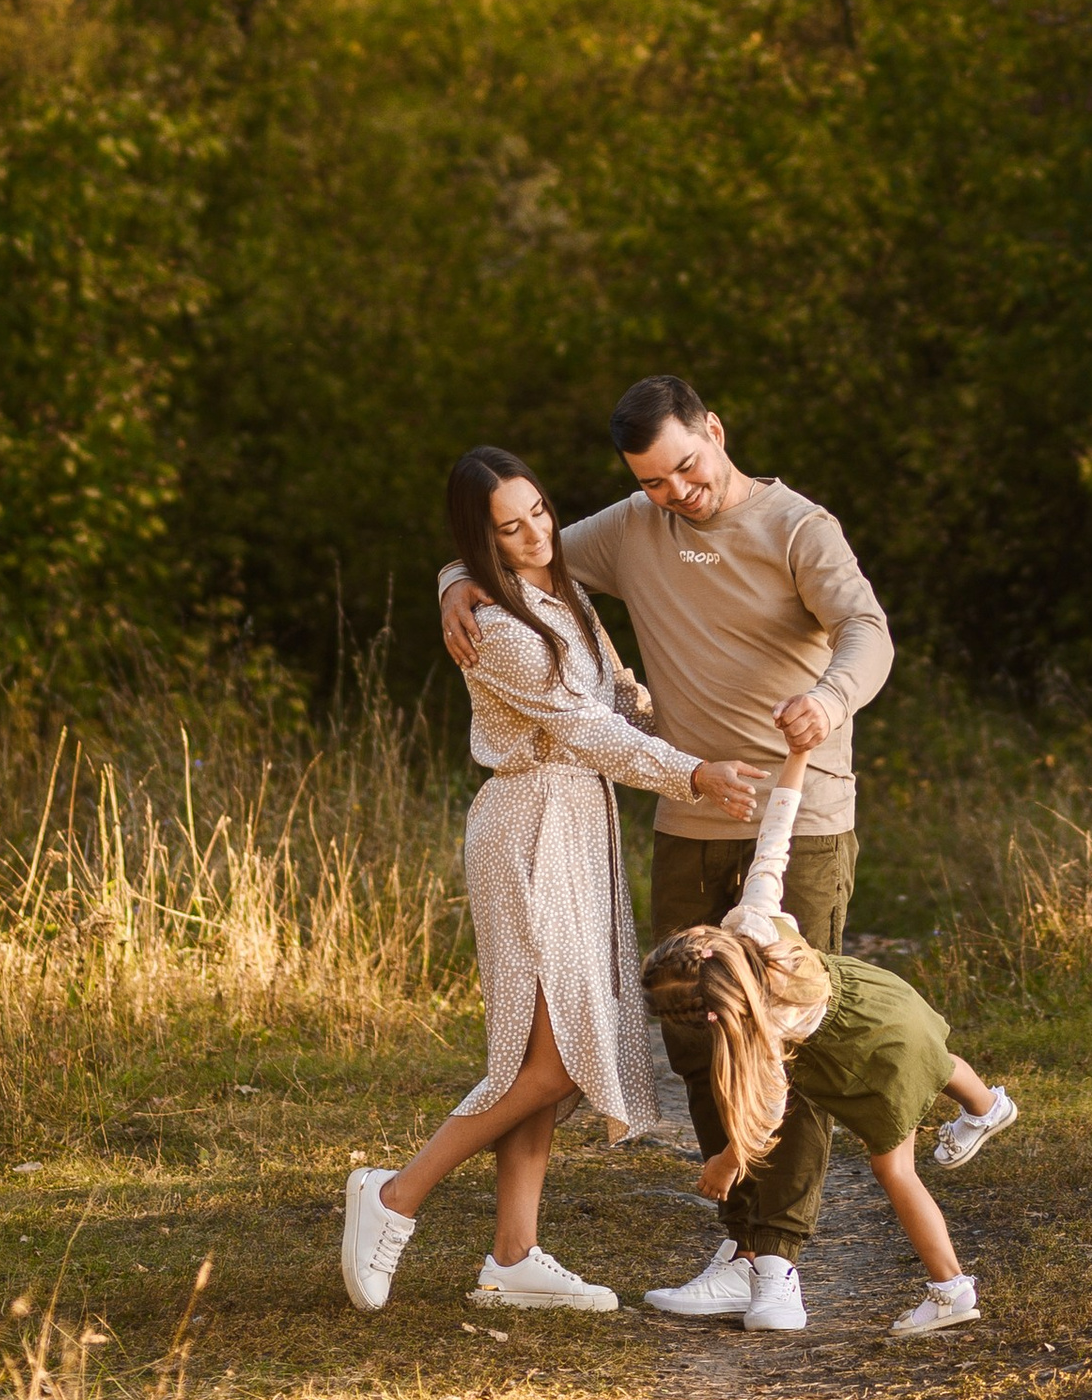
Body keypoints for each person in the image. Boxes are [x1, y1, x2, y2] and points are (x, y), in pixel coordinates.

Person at [437, 372, 893, 1328]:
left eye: (686, 469)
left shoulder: (800, 528)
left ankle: (779, 1261)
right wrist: (455, 582)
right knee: (693, 1031)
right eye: (651, 482)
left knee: (783, 1027)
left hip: (797, 815)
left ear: (715, 431)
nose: (676, 494)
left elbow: (867, 629)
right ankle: (735, 1243)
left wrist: (833, 696)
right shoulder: (637, 528)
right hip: (688, 821)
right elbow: (529, 549)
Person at [343, 446, 755, 1318]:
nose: (534, 534)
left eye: (538, 512)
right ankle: (394, 1195)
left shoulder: (561, 593)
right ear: (479, 538)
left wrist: (673, 704)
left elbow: (615, 704)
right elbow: (586, 731)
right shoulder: (492, 625)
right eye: (508, 528)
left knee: (545, 1056)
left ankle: (513, 1256)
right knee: (553, 1056)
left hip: (578, 825)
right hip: (528, 826)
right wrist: (691, 773)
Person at [641, 774, 1017, 1342]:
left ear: (713, 1017)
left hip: (876, 1059)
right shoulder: (753, 922)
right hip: (887, 1004)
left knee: (896, 1171)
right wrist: (796, 762)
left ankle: (951, 1289)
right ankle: (987, 1106)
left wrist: (725, 1161)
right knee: (938, 1059)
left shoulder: (761, 1032)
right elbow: (775, 840)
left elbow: (767, 1114)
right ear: (706, 941)